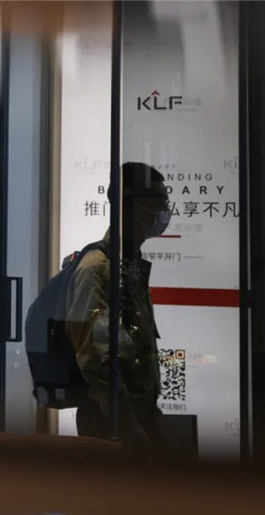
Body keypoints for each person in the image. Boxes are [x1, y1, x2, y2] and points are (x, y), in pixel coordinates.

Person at [66, 162, 171, 451]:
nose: (165, 211)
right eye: (158, 201)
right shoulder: (98, 268)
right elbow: (97, 359)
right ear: (132, 205)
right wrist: (128, 427)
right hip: (109, 424)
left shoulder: (129, 264)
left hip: (136, 418)